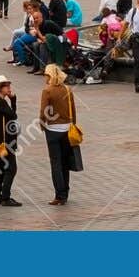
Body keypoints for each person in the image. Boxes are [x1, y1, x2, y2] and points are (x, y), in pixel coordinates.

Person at [38, 63, 79, 206]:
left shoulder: (47, 91)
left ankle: (59, 195)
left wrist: (42, 125)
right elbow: (73, 110)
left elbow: (44, 111)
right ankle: (65, 193)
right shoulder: (67, 89)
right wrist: (72, 124)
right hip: (67, 130)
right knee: (65, 163)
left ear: (49, 75)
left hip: (53, 131)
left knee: (55, 163)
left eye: (45, 75)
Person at [0, 75, 22, 207]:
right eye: (6, 86)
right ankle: (6, 197)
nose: (9, 88)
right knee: (11, 168)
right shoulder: (0, 102)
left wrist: (11, 100)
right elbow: (13, 115)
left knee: (1, 168)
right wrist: (13, 99)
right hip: (5, 141)